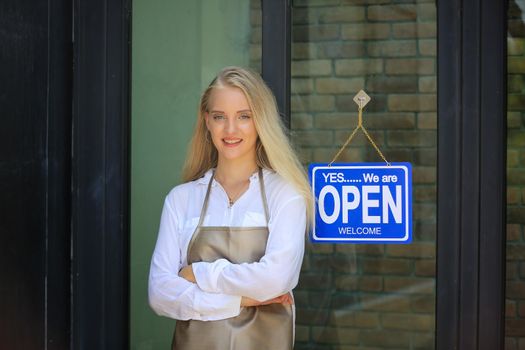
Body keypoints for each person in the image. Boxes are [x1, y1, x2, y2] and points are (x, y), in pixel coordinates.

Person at [148, 66, 312, 350]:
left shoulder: (286, 194)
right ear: (206, 121)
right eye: (219, 117)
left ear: (261, 121)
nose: (231, 129)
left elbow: (276, 278)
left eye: (244, 116)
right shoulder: (181, 199)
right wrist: (240, 300)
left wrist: (198, 273)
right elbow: (160, 293)